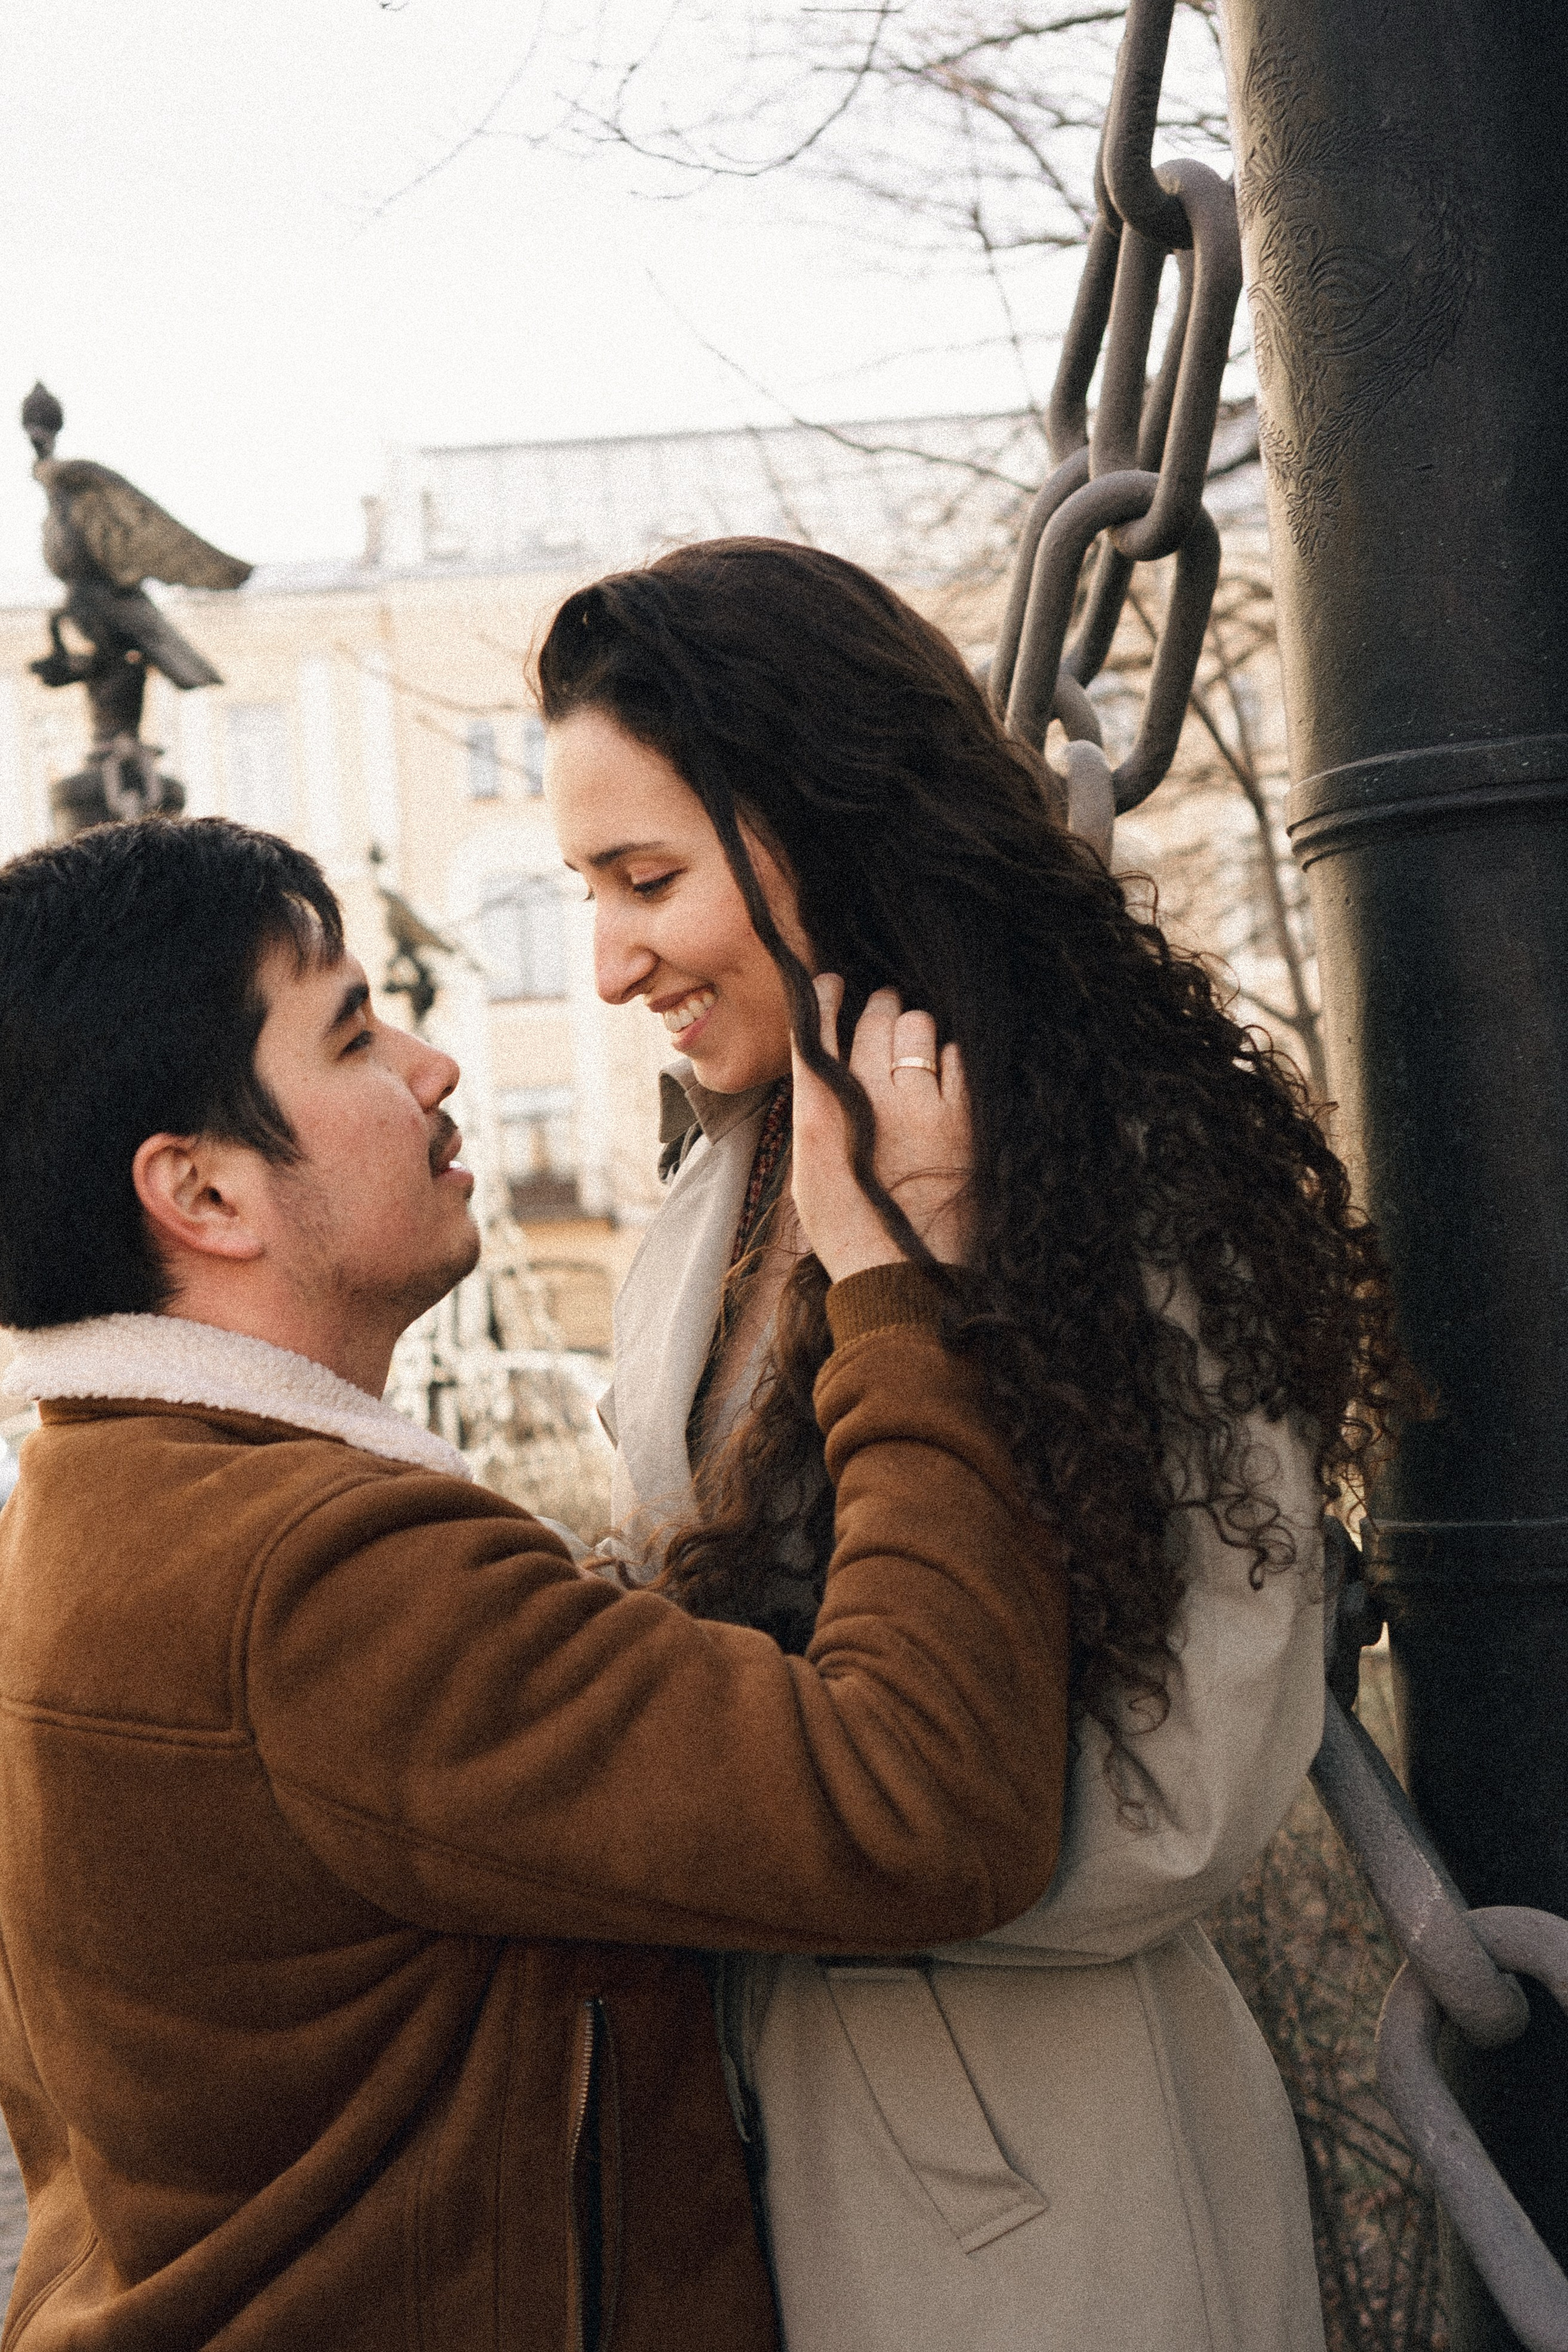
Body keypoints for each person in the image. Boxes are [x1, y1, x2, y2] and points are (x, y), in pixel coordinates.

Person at [0, 815, 1074, 2351]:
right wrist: (904, 1289)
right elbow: (923, 1802)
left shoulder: (88, 1507)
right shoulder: (317, 1577)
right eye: (356, 1033)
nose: (433, 1068)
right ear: (207, 1195)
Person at [538, 538, 1411, 2352]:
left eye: (647, 878)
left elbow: (1183, 1803)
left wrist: (718, 1821)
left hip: (1043, 2186)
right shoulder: (728, 1186)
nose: (610, 959)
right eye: (586, 889)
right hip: (756, 2153)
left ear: (820, 826)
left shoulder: (1114, 1177)